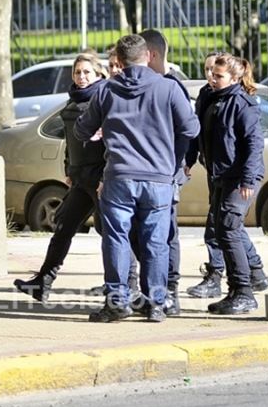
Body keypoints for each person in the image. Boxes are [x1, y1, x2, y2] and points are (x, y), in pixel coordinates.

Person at [75, 34, 199, 323]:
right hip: (158, 178)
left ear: (119, 60)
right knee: (156, 241)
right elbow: (191, 129)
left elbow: (82, 130)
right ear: (147, 57)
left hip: (119, 176)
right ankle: (156, 303)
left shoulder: (106, 91)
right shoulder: (168, 88)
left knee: (116, 238)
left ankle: (118, 301)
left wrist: (100, 130)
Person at [14, 54, 110, 302]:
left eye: (87, 72)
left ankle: (125, 285)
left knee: (110, 232)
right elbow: (71, 141)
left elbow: (112, 143)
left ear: (99, 74)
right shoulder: (72, 101)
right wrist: (69, 170)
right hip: (80, 178)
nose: (81, 77)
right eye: (78, 72)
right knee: (64, 225)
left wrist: (106, 177)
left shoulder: (104, 100)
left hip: (100, 178)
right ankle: (43, 282)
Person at [185, 51, 268, 298]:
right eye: (210, 73)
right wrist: (189, 160)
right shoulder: (211, 98)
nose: (212, 78)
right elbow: (197, 134)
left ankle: (243, 290)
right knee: (224, 229)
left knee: (228, 228)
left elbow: (253, 144)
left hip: (237, 177)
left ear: (234, 77)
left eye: (218, 75)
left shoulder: (242, 103)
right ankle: (244, 283)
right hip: (219, 173)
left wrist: (247, 178)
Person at [137, 29, 190, 316]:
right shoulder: (155, 84)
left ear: (152, 55)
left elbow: (186, 131)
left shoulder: (170, 85)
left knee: (166, 234)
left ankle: (170, 292)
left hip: (166, 174)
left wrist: (174, 165)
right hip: (154, 173)